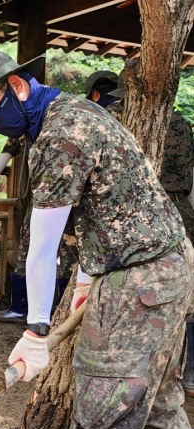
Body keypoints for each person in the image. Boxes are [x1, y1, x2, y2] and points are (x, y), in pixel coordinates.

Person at [0, 52, 194, 429]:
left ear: (17, 88)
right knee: (163, 406)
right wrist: (84, 280)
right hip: (169, 265)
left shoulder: (59, 138)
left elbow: (42, 247)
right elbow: (104, 208)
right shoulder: (81, 111)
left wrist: (36, 330)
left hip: (138, 280)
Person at [103, 70, 194, 400]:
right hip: (181, 211)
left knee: (132, 296)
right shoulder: (182, 121)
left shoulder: (117, 116)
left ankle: (130, 374)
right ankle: (188, 373)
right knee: (184, 296)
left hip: (140, 215)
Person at [0, 137, 75, 323]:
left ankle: (37, 310)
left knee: (59, 254)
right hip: (58, 199)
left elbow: (3, 159)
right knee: (45, 251)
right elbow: (4, 157)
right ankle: (35, 310)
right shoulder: (25, 132)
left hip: (59, 201)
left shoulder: (31, 127)